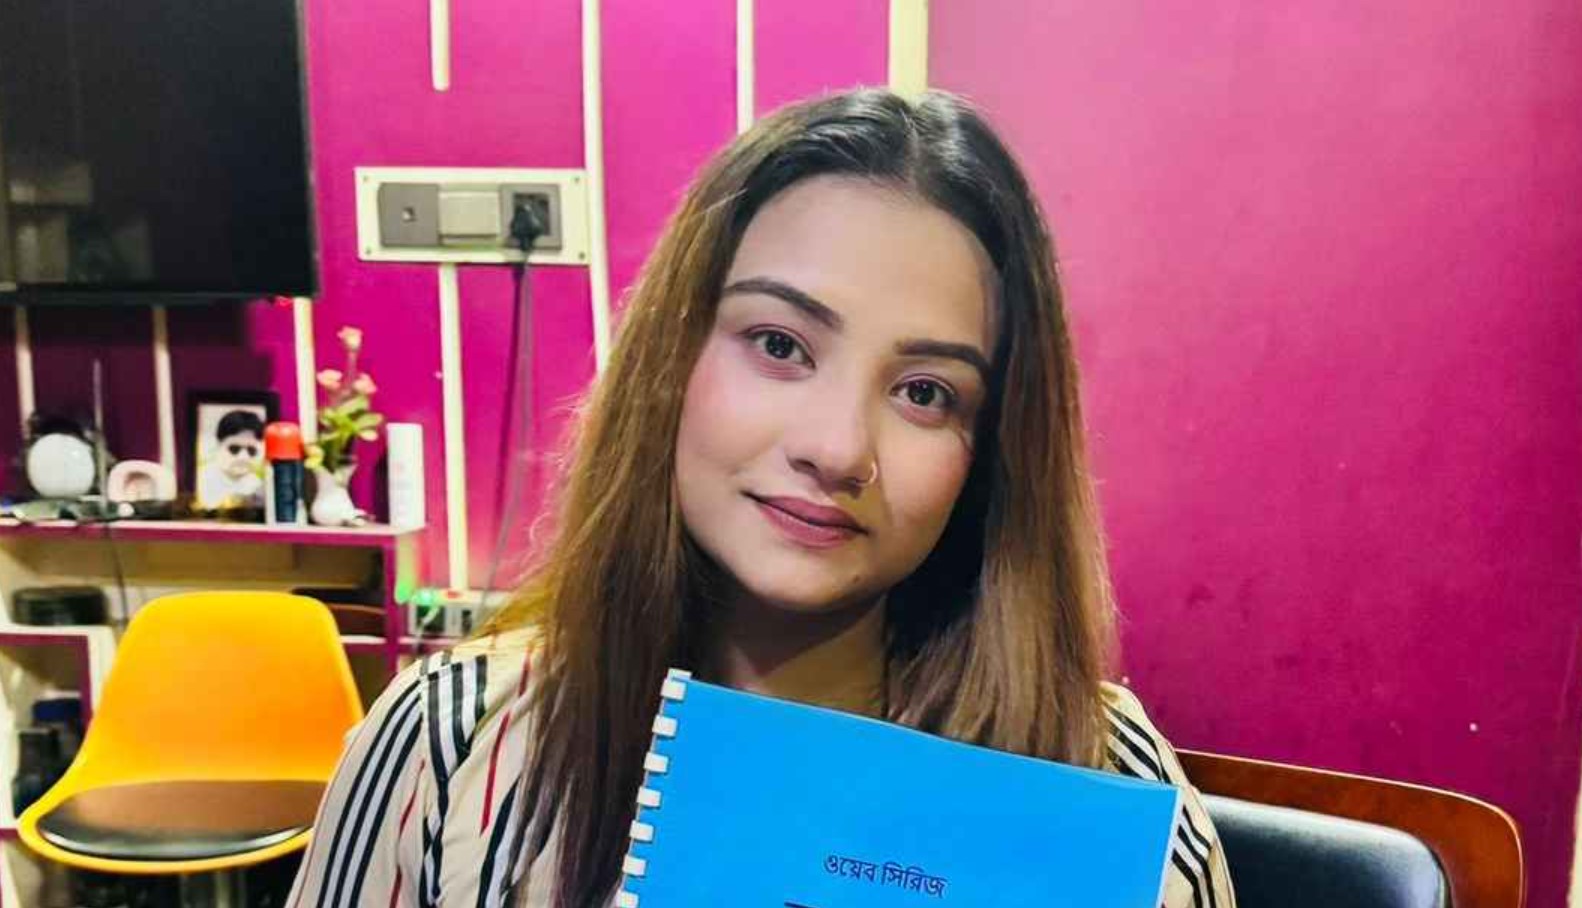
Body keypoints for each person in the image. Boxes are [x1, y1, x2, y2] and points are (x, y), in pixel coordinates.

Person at [286, 89, 1234, 908]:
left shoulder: (1108, 782)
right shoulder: (449, 741)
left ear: (988, 454)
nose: (836, 448)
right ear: (673, 357)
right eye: (780, 345)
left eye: (924, 393)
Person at [197, 410, 266, 509]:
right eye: (234, 449)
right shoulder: (200, 481)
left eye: (251, 450)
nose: (243, 457)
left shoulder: (256, 485)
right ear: (218, 445)